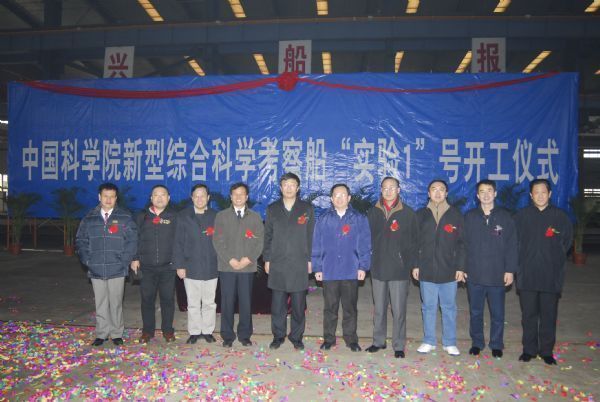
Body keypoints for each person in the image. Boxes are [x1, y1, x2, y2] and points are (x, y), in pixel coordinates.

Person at [514, 178, 573, 365]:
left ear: (550, 194)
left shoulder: (560, 217)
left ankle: (547, 351)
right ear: (531, 195)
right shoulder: (521, 216)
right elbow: (513, 242)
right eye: (536, 192)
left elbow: (567, 242)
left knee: (549, 315)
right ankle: (529, 350)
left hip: (550, 275)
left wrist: (554, 258)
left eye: (543, 192)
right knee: (528, 316)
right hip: (527, 274)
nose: (540, 196)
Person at [76, 182, 137, 346]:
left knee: (116, 303)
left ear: (116, 198)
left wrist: (124, 261)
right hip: (96, 267)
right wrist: (87, 260)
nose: (108, 200)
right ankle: (102, 333)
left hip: (117, 268)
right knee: (100, 303)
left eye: (112, 197)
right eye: (105, 196)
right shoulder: (89, 218)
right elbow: (81, 240)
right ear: (99, 197)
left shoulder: (124, 217)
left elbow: (132, 241)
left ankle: (116, 333)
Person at [312, 184, 371, 352]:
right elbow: (316, 244)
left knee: (350, 308)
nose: (339, 198)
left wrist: (363, 266)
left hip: (350, 269)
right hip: (329, 270)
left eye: (343, 195)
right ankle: (329, 339)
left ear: (349, 198)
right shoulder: (323, 219)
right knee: (330, 308)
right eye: (336, 195)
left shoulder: (359, 219)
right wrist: (317, 268)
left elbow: (365, 244)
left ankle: (351, 339)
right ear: (331, 199)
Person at [464, 179, 517, 358]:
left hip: (497, 274)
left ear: (495, 194)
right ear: (477, 195)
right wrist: (463, 268)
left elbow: (512, 245)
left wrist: (510, 270)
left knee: (498, 313)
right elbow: (463, 244)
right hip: (474, 274)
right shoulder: (470, 217)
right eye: (482, 191)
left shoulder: (505, 217)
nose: (486, 195)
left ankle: (496, 344)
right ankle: (477, 343)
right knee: (475, 312)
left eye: (489, 191)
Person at [366, 177, 418, 359]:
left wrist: (413, 265)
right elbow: (366, 239)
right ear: (381, 190)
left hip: (399, 269)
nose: (388, 191)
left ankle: (398, 345)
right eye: (385, 188)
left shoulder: (408, 213)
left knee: (398, 309)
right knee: (379, 308)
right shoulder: (373, 212)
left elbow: (414, 242)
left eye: (392, 187)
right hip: (378, 267)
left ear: (399, 190)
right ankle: (378, 341)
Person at [413, 179, 465, 356]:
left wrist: (460, 267)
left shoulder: (455, 215)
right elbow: (414, 242)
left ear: (446, 193)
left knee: (449, 307)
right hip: (426, 269)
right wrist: (415, 265)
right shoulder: (421, 215)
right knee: (428, 306)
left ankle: (449, 342)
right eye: (433, 189)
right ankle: (429, 340)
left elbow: (462, 244)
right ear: (428, 193)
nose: (437, 192)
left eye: (441, 189)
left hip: (449, 269)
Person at [263, 172, 315, 351]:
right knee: (278, 304)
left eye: (292, 184)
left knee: (298, 305)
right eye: (285, 184)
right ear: (281, 188)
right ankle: (278, 336)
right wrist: (267, 259)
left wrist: (310, 260)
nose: (289, 188)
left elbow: (311, 236)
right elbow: (267, 236)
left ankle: (296, 337)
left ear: (298, 188)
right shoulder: (272, 209)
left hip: (299, 262)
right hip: (277, 262)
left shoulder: (306, 209)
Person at [213, 182, 264, 347]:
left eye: (242, 194)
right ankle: (227, 336)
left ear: (247, 197)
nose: (238, 197)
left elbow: (260, 242)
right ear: (230, 196)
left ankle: (245, 335)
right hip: (227, 267)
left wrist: (248, 259)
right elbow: (217, 241)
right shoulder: (221, 216)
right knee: (227, 302)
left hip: (247, 267)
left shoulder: (255, 217)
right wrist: (230, 260)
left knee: (245, 302)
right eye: (235, 194)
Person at [172, 184, 219, 345]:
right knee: (193, 303)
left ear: (208, 198)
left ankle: (207, 331)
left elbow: (221, 242)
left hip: (211, 266)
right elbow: (178, 242)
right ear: (192, 198)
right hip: (190, 266)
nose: (199, 199)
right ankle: (194, 331)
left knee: (209, 303)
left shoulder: (216, 216)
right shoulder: (183, 216)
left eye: (203, 195)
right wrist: (179, 265)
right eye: (196, 196)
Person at [131, 185, 178, 343]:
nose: (159, 198)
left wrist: (178, 262)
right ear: (151, 198)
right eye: (156, 195)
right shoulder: (142, 216)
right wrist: (135, 258)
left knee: (168, 300)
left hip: (168, 267)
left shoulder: (174, 216)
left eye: (163, 195)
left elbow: (180, 241)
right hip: (146, 266)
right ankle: (147, 331)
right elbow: (134, 238)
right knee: (147, 300)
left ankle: (168, 331)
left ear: (168, 198)